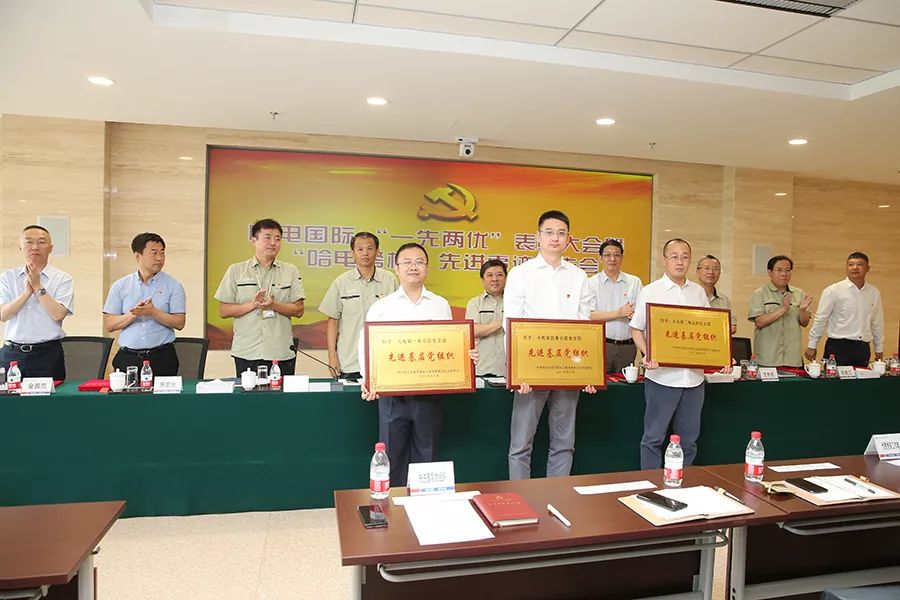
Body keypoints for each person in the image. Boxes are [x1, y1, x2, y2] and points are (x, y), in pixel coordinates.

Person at [359, 243, 478, 487]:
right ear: (396, 268)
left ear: (427, 267)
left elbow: (449, 343)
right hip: (392, 395)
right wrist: (368, 380)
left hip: (429, 394)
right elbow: (365, 344)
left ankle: (423, 503)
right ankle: (392, 504)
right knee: (392, 455)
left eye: (419, 261)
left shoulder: (440, 304)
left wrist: (465, 357)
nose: (413, 266)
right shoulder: (382, 306)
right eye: (407, 262)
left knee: (427, 453)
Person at [504, 210, 597, 480]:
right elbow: (511, 323)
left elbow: (584, 325)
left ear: (568, 239)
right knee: (521, 444)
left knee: (564, 443)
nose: (555, 238)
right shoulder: (521, 274)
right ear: (538, 237)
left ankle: (557, 495)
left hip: (568, 371)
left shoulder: (579, 276)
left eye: (561, 233)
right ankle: (520, 497)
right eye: (549, 232)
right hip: (531, 370)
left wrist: (588, 371)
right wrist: (517, 372)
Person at [630, 238, 709, 469]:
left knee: (689, 441)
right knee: (653, 439)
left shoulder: (698, 292)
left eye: (685, 257)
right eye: (674, 256)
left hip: (694, 379)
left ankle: (682, 483)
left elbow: (710, 329)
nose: (680, 261)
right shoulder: (651, 291)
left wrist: (720, 357)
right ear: (664, 261)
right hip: (662, 378)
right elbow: (635, 328)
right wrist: (648, 353)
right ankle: (651, 484)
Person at [215, 218, 305, 377]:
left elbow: (299, 310)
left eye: (277, 239)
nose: (273, 243)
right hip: (247, 352)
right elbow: (223, 310)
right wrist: (253, 304)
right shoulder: (236, 270)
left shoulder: (290, 271)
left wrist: (273, 305)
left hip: (280, 352)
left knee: (281, 394)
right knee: (248, 394)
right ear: (253, 240)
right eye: (267, 237)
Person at [103, 233, 187, 376]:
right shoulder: (120, 286)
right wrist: (134, 314)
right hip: (128, 358)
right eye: (154, 253)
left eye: (162, 253)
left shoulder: (173, 285)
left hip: (162, 357)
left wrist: (153, 312)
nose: (159, 258)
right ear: (138, 256)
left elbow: (179, 323)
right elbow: (109, 324)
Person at [320, 232, 398, 381]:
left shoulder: (390, 280)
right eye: (360, 249)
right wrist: (332, 357)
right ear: (352, 253)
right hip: (350, 362)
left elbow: (399, 319)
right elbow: (333, 321)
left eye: (369, 248)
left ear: (378, 252)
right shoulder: (341, 282)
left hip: (383, 360)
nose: (365, 253)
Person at [0, 225, 74, 380]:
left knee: (49, 396)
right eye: (29, 242)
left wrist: (37, 286)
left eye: (41, 242)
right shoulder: (7, 277)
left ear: (50, 248)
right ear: (20, 246)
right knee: (9, 396)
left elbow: (58, 314)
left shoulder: (62, 278)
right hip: (12, 354)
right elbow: (3, 315)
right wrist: (26, 294)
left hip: (47, 354)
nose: (34, 247)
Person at [805, 252, 884, 367]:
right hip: (837, 347)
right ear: (846, 268)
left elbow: (877, 322)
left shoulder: (873, 292)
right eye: (851, 264)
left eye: (860, 264)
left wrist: (879, 348)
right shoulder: (833, 290)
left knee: (862, 379)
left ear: (867, 268)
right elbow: (821, 319)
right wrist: (812, 345)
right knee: (834, 379)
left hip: (862, 348)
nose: (855, 268)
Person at [588, 239, 642, 373]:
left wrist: (634, 315)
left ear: (622, 258)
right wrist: (619, 313)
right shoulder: (591, 283)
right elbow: (590, 315)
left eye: (617, 255)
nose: (612, 259)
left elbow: (642, 314)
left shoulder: (634, 282)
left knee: (625, 384)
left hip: (628, 346)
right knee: (599, 383)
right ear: (600, 258)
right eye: (607, 255)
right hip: (601, 345)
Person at [748, 255, 812, 367]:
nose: (784, 274)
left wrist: (802, 310)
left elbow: (804, 323)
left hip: (792, 358)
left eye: (787, 270)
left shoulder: (799, 293)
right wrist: (783, 309)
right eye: (779, 270)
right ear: (770, 272)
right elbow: (759, 322)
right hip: (767, 358)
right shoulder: (759, 293)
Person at [465, 259, 507, 377]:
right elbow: (472, 331)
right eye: (489, 275)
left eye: (499, 275)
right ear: (482, 280)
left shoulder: (514, 302)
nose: (495, 279)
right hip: (482, 369)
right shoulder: (474, 303)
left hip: (510, 371)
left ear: (505, 278)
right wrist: (502, 322)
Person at [695, 255, 737, 335]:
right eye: (706, 268)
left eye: (715, 269)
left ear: (719, 273)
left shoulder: (724, 300)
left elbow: (732, 327)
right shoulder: (689, 296)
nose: (711, 272)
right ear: (697, 272)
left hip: (716, 341)